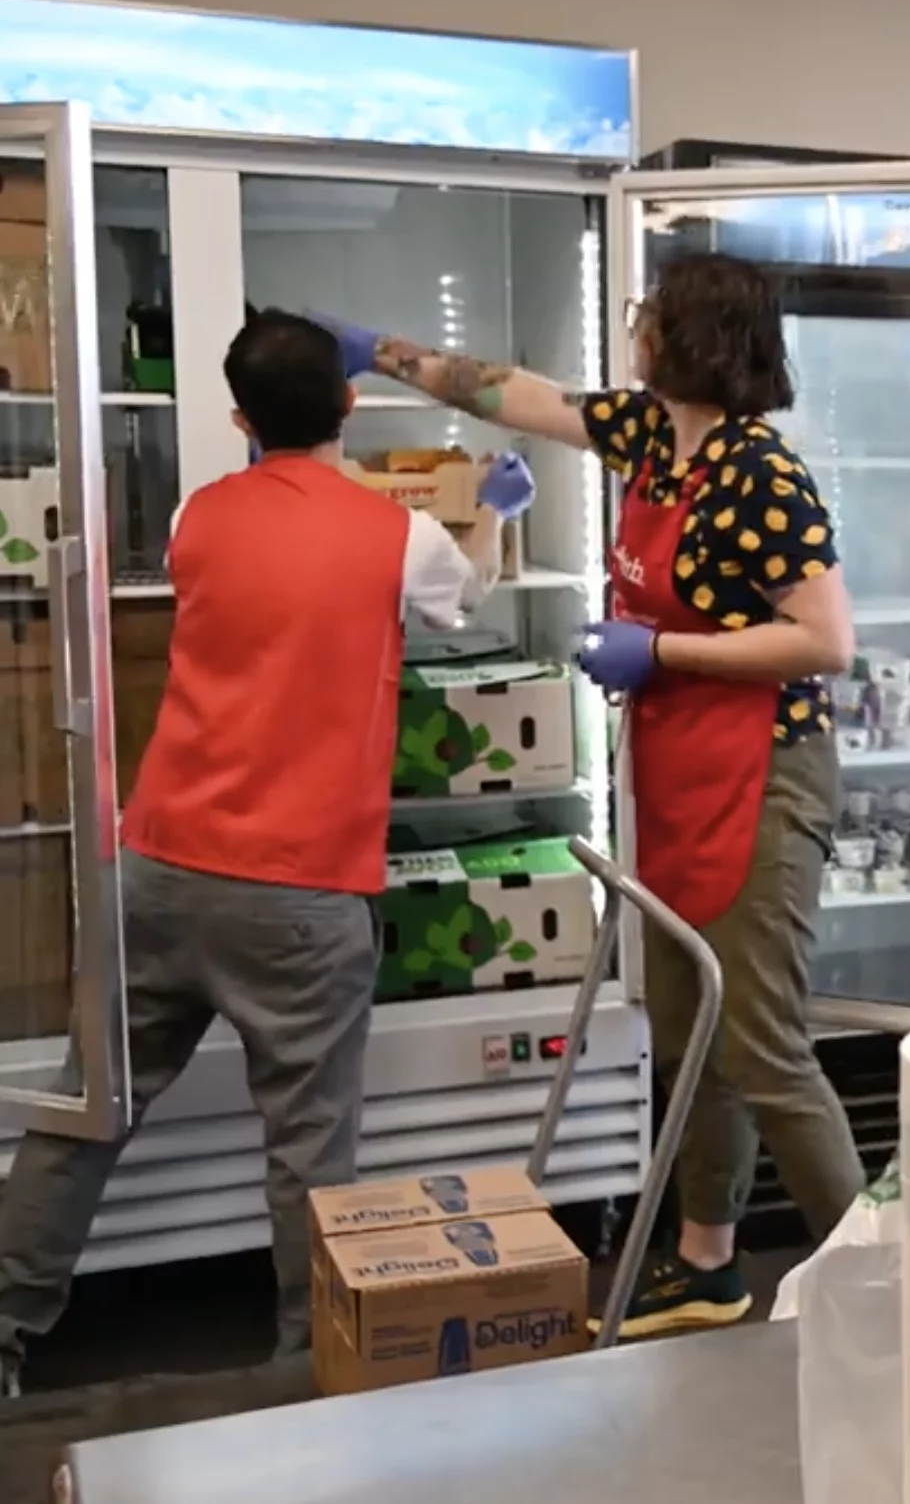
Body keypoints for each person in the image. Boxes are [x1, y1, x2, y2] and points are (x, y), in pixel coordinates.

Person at [314, 251, 865, 1339]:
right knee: (692, 1029)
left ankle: (890, 1288)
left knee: (762, 1045)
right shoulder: (652, 436)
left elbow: (825, 640)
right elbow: (516, 395)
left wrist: (660, 650)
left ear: (691, 334)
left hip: (763, 778)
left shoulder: (762, 474)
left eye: (648, 313)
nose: (635, 326)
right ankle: (708, 1263)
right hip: (681, 768)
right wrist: (383, 353)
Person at [0, 311, 527, 1394]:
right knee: (309, 1151)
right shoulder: (397, 537)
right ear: (350, 405)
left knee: (89, 1108)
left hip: (159, 869)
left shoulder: (196, 514)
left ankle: (4, 1321)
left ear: (240, 422)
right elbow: (466, 596)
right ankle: (306, 1376)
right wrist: (494, 512)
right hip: (300, 890)